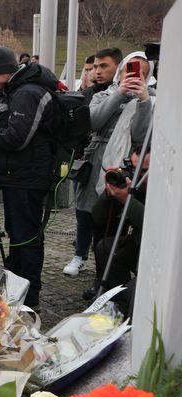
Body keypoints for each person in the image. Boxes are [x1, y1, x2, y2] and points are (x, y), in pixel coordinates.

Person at [0, 46, 59, 309]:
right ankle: (17, 289)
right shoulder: (13, 91)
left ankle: (30, 297)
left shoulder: (28, 93)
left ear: (8, 70)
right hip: (16, 176)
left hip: (28, 178)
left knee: (27, 238)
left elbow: (16, 138)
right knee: (17, 236)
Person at [71, 51, 154, 297]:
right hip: (98, 162)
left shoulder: (151, 98)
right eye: (129, 70)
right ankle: (99, 276)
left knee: (126, 221)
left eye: (140, 72)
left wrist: (142, 100)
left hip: (134, 164)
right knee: (95, 219)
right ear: (120, 72)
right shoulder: (103, 94)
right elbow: (94, 121)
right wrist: (119, 93)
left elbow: (141, 136)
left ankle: (118, 281)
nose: (133, 75)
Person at [91, 145, 149, 317]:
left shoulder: (165, 188)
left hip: (158, 253)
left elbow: (151, 221)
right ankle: (118, 300)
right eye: (133, 168)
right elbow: (97, 217)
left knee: (134, 292)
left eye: (144, 170)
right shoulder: (132, 184)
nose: (137, 174)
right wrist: (110, 193)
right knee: (105, 248)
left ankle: (131, 305)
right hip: (138, 245)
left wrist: (126, 198)